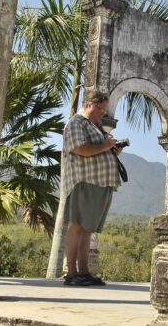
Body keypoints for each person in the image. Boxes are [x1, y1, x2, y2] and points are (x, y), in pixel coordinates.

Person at [61, 92, 122, 286]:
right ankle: (71, 274)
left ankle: (84, 273)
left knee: (87, 229)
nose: (101, 113)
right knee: (76, 225)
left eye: (104, 110)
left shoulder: (94, 126)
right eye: (99, 109)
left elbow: (99, 147)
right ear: (88, 104)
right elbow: (79, 148)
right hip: (84, 181)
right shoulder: (76, 123)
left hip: (99, 182)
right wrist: (105, 146)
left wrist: (113, 148)